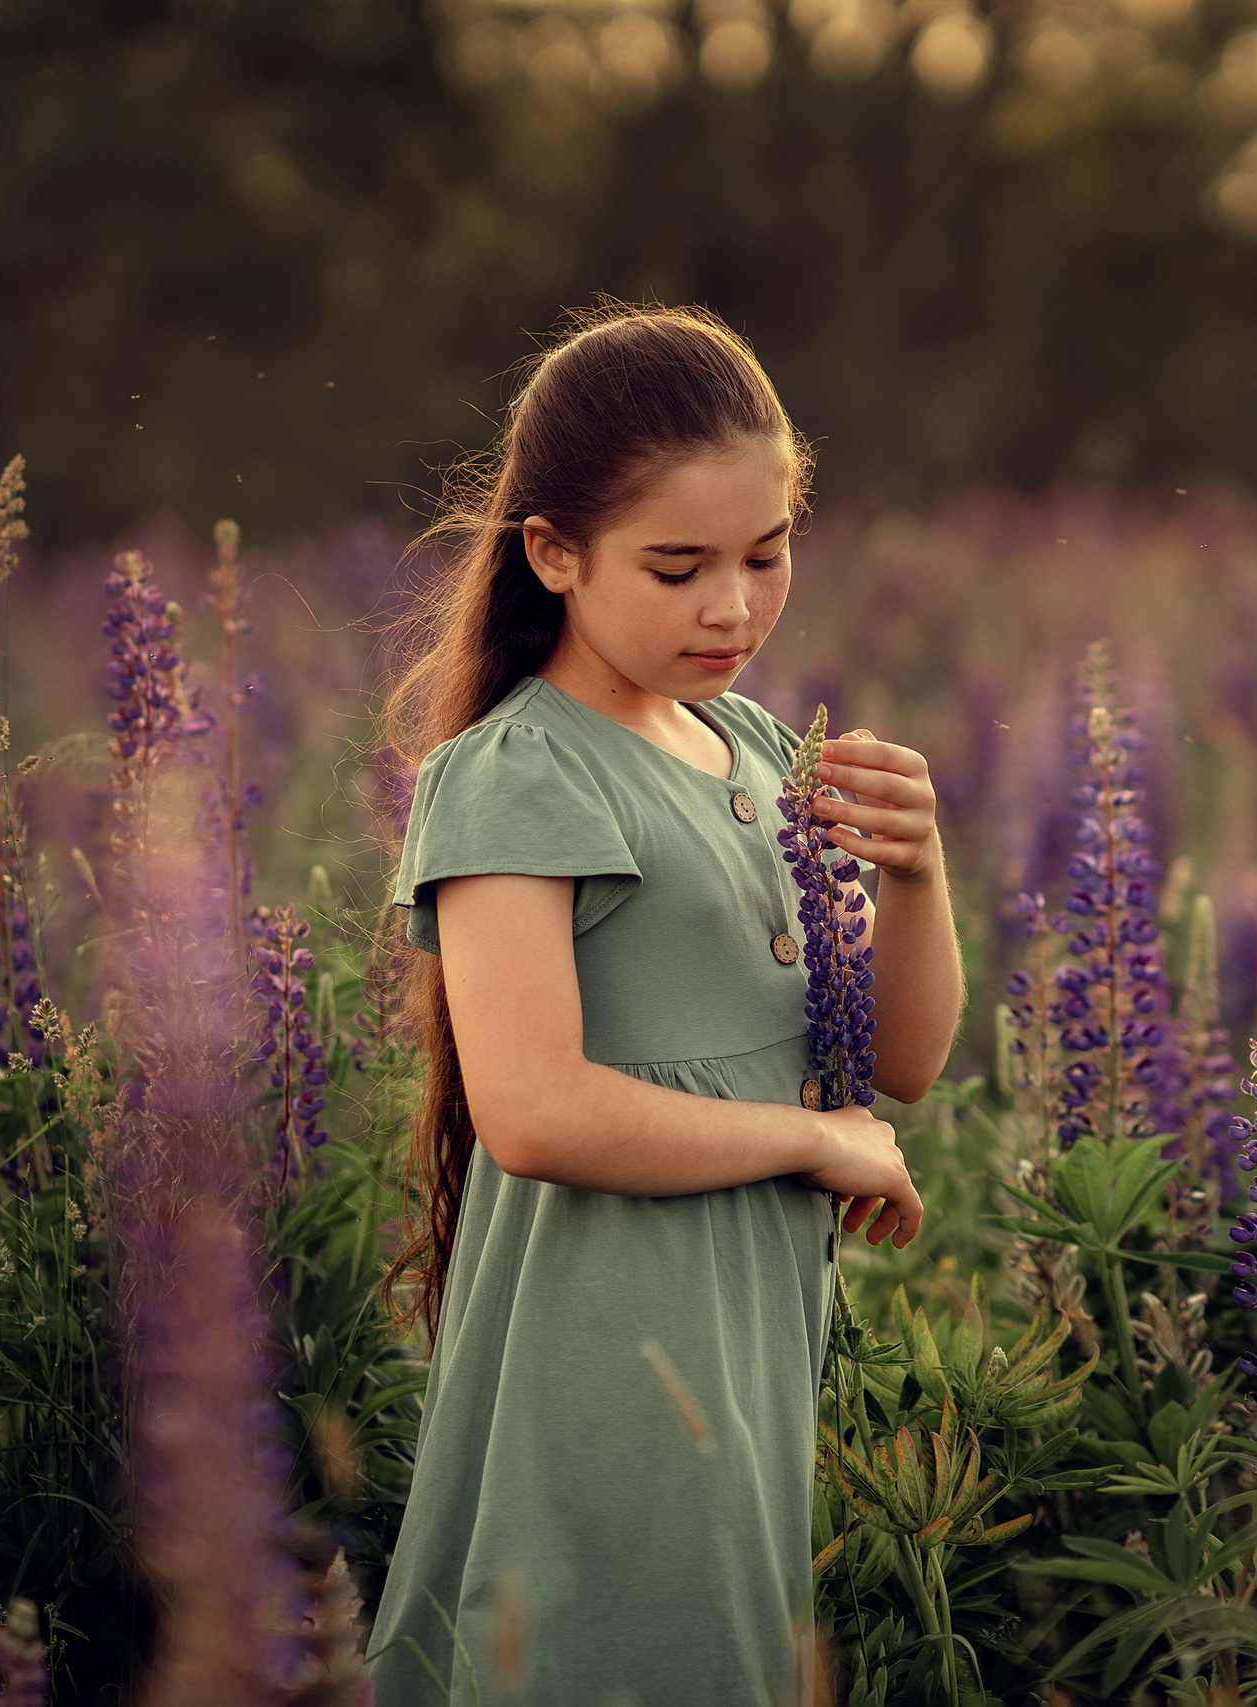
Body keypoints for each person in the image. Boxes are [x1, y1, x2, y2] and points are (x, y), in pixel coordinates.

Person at [362, 305, 963, 1706]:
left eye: (768, 556)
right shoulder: (518, 774)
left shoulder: (755, 746)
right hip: (606, 1344)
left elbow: (906, 1063)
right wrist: (813, 1144)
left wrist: (923, 870)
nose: (735, 609)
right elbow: (533, 1110)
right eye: (679, 568)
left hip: (747, 1338)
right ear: (554, 553)